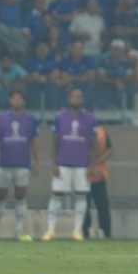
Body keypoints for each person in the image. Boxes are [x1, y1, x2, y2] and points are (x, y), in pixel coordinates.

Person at [44, 89, 100, 241]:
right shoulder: (60, 117)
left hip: (83, 164)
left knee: (81, 196)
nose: (77, 99)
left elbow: (94, 144)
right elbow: (54, 141)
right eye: (74, 96)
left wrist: (93, 165)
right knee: (56, 195)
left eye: (80, 96)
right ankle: (50, 230)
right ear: (69, 98)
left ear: (83, 100)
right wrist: (53, 162)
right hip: (62, 163)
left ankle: (77, 231)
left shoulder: (90, 119)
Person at [0, 90, 39, 241]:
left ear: (24, 101)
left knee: (21, 196)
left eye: (20, 98)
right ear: (10, 100)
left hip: (23, 164)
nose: (17, 101)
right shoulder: (0, 119)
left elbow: (34, 142)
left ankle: (19, 231)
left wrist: (36, 161)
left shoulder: (30, 119)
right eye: (14, 98)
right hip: (4, 164)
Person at [83, 121, 112, 239]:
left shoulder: (102, 131)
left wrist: (97, 162)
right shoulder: (80, 130)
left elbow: (110, 150)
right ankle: (86, 231)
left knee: (103, 204)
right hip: (83, 174)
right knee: (84, 205)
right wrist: (89, 165)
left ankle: (104, 232)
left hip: (99, 174)